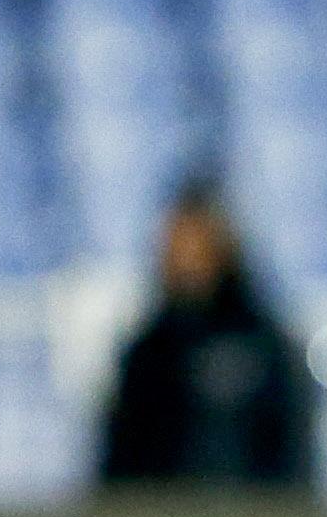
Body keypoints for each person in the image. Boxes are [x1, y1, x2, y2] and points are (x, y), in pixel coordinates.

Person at [100, 184, 314, 486]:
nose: (185, 261)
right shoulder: (146, 351)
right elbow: (119, 467)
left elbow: (291, 455)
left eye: (195, 246)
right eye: (177, 247)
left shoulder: (264, 346)